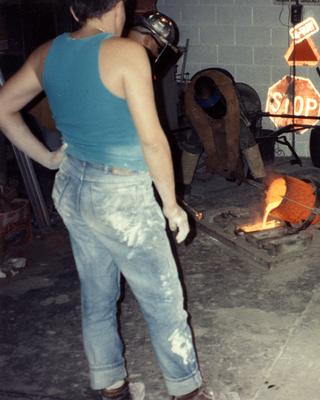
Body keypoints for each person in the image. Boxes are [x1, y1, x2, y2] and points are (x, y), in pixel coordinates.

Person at [0, 1, 212, 399]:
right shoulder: (127, 53)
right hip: (120, 197)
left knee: (97, 294)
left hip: (72, 186)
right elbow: (152, 140)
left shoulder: (48, 52)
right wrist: (171, 205)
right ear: (118, 6)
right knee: (163, 299)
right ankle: (186, 391)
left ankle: (110, 385)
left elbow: (2, 107)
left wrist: (48, 158)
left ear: (74, 9)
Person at [180, 68, 266, 195]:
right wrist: (218, 163)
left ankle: (259, 176)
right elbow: (207, 138)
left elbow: (232, 134)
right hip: (202, 116)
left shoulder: (228, 91)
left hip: (229, 107)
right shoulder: (191, 102)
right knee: (193, 142)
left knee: (244, 136)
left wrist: (232, 164)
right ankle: (184, 183)